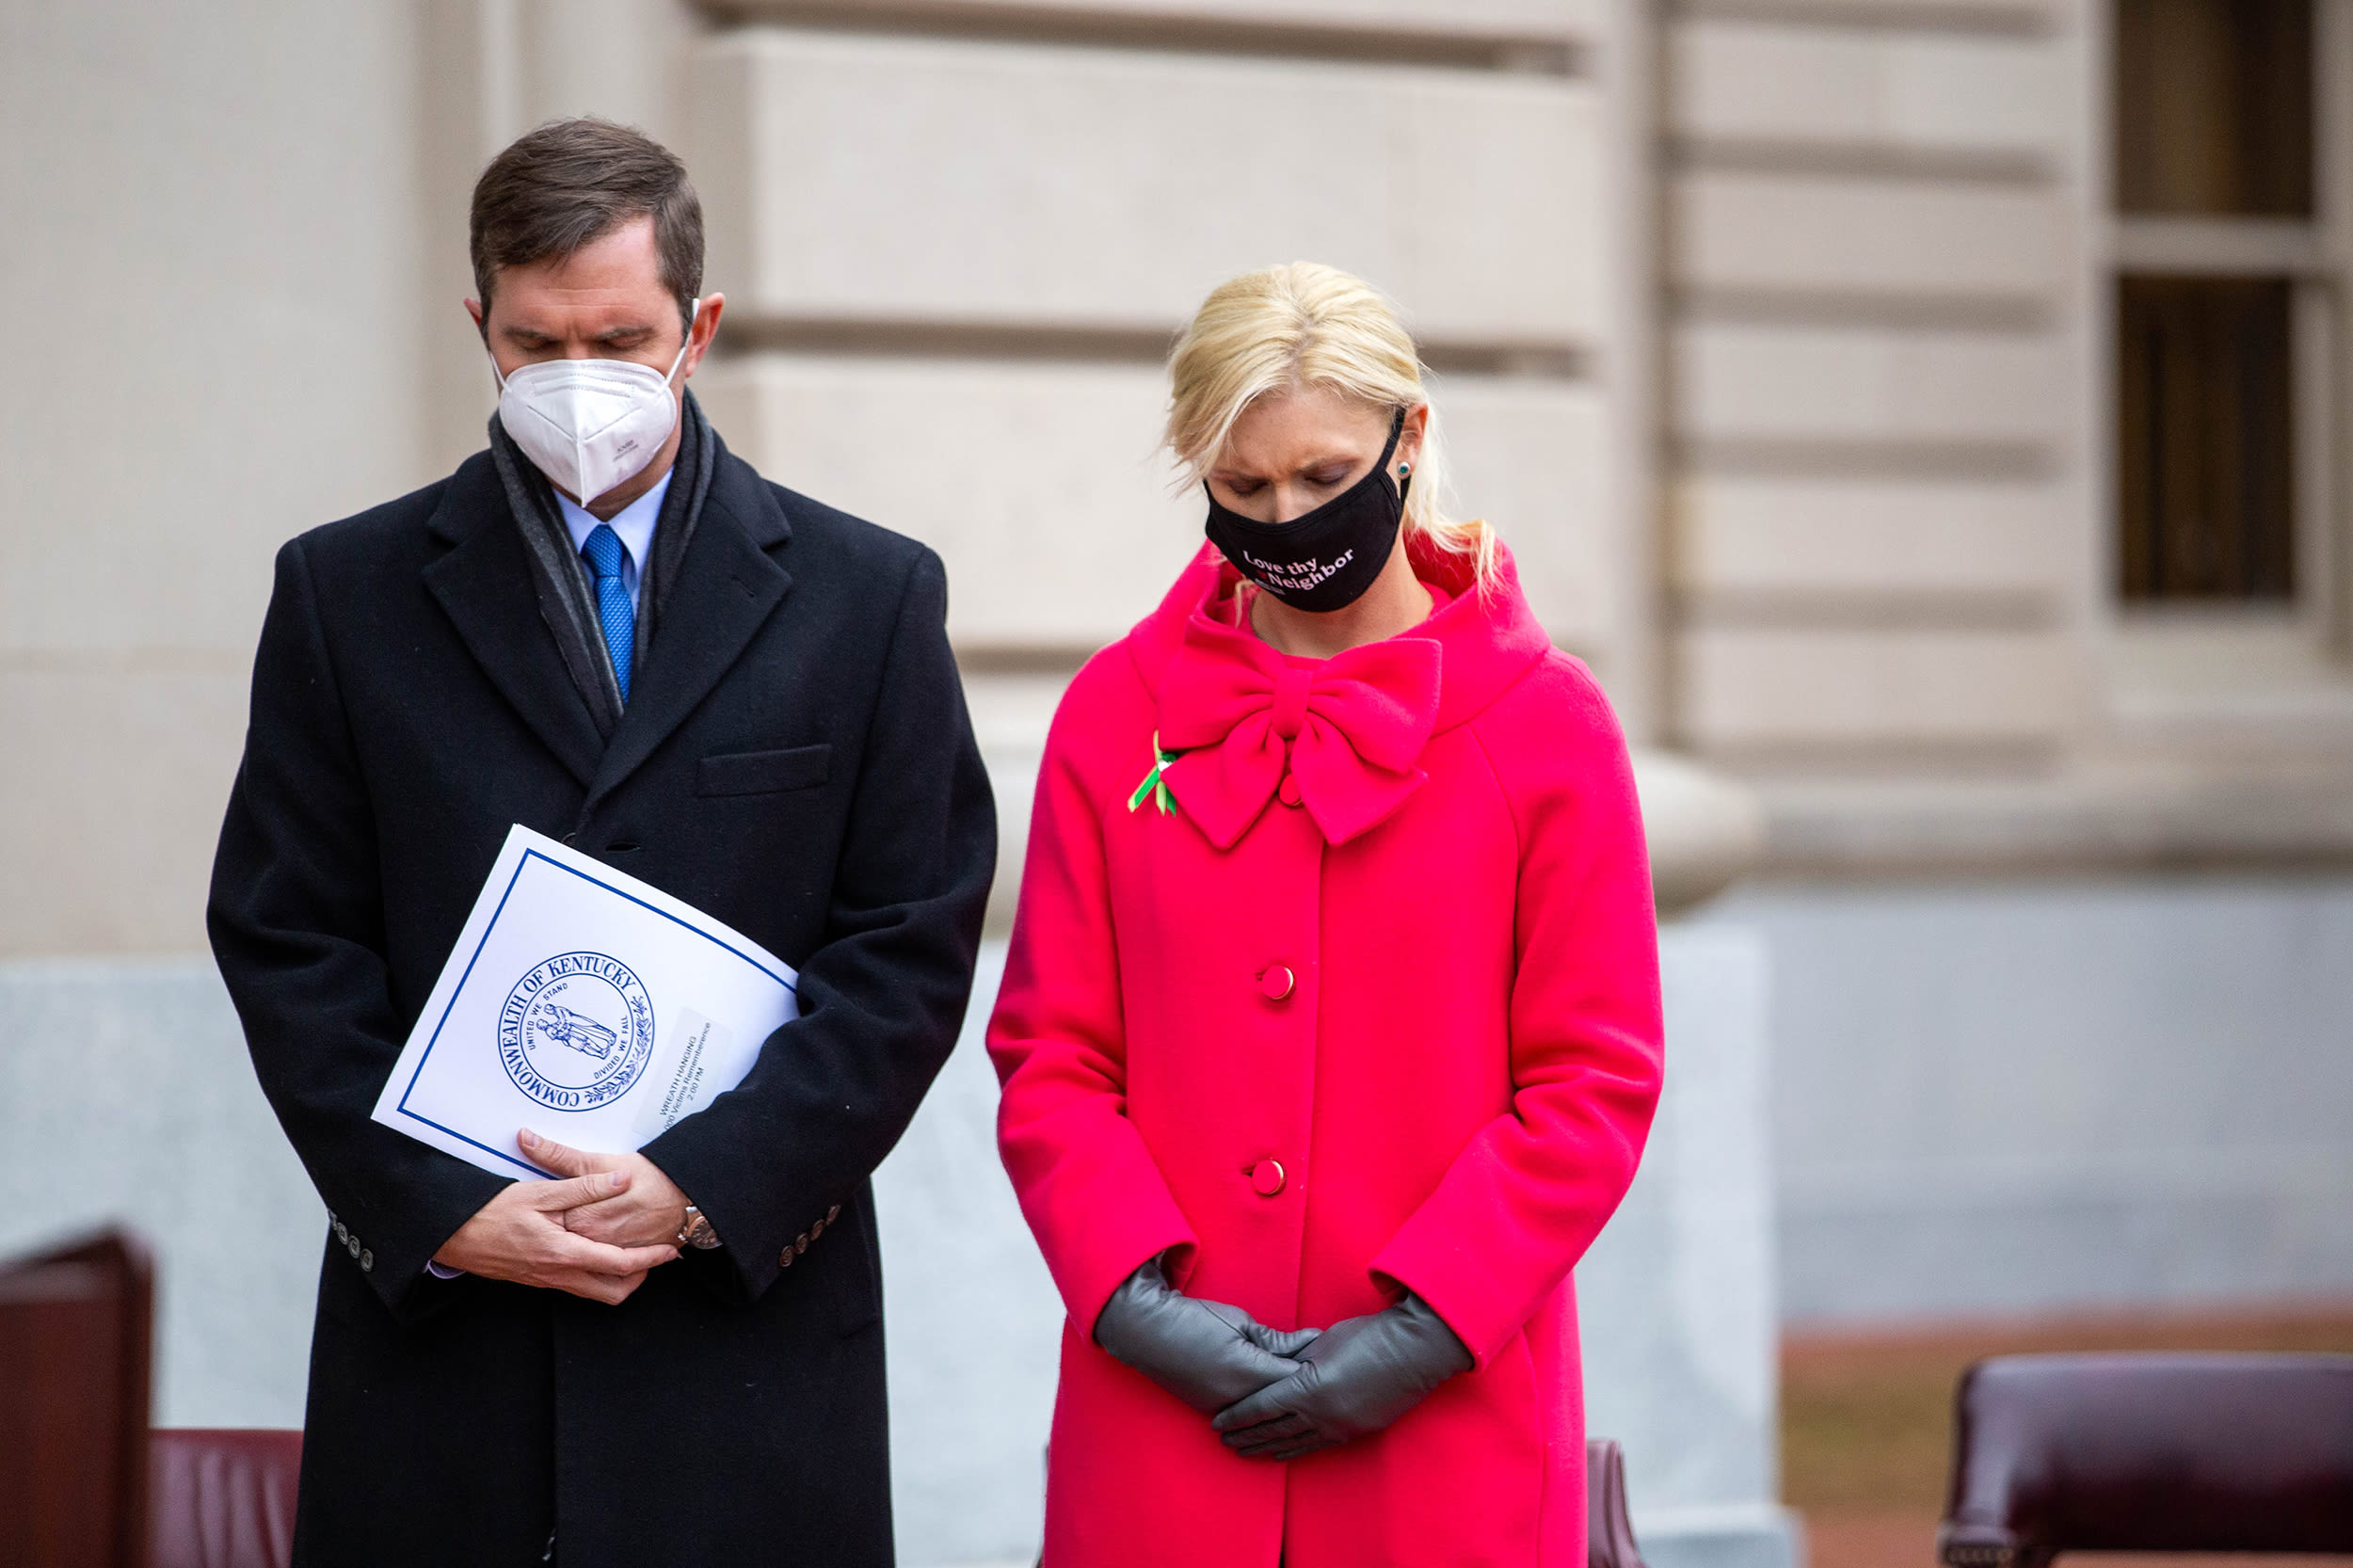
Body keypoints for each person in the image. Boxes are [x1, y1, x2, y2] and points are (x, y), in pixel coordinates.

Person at [208, 118, 994, 1567]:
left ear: (697, 327)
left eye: (619, 338)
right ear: (480, 327)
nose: (578, 382)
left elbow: (911, 941)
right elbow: (283, 935)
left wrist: (712, 1181)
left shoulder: (866, 596)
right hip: (447, 1361)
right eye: (535, 342)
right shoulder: (343, 591)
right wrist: (444, 1210)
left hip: (743, 1352)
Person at [987, 262, 1664, 1567]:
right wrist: (1138, 1305)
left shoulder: (1550, 726)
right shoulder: (1112, 716)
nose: (1287, 516)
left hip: (1447, 1433)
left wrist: (1422, 1331)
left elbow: (1593, 1079)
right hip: (1162, 1435)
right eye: (1243, 489)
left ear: (1412, 440)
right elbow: (1051, 1054)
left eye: (1323, 474)